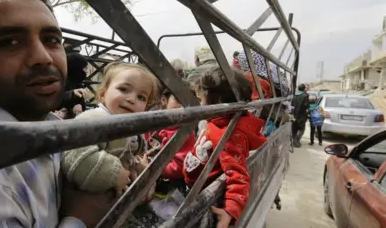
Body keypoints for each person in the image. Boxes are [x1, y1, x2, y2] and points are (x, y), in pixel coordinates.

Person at [0, 0, 112, 228]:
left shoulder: (53, 125)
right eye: (10, 42)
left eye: (51, 39)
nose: (43, 56)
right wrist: (79, 220)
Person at [184, 65, 267, 228]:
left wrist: (230, 211)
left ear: (220, 101)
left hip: (205, 195)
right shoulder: (219, 122)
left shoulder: (228, 134)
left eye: (201, 100)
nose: (199, 104)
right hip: (197, 183)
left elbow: (239, 175)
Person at [61, 62, 159, 196]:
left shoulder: (130, 127)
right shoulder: (95, 118)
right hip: (84, 196)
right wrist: (113, 173)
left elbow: (128, 154)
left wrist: (135, 164)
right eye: (124, 89)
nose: (132, 99)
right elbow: (75, 155)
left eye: (141, 97)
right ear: (102, 94)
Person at [145, 81, 196, 220]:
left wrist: (151, 168)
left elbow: (179, 167)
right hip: (149, 177)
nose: (182, 107)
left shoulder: (185, 132)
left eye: (187, 103)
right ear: (164, 100)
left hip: (168, 187)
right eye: (178, 100)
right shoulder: (152, 123)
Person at [57, 52, 89, 118]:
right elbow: (54, 99)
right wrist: (72, 94)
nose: (87, 71)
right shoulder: (59, 82)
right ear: (76, 68)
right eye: (85, 68)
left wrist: (78, 103)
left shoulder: (78, 84)